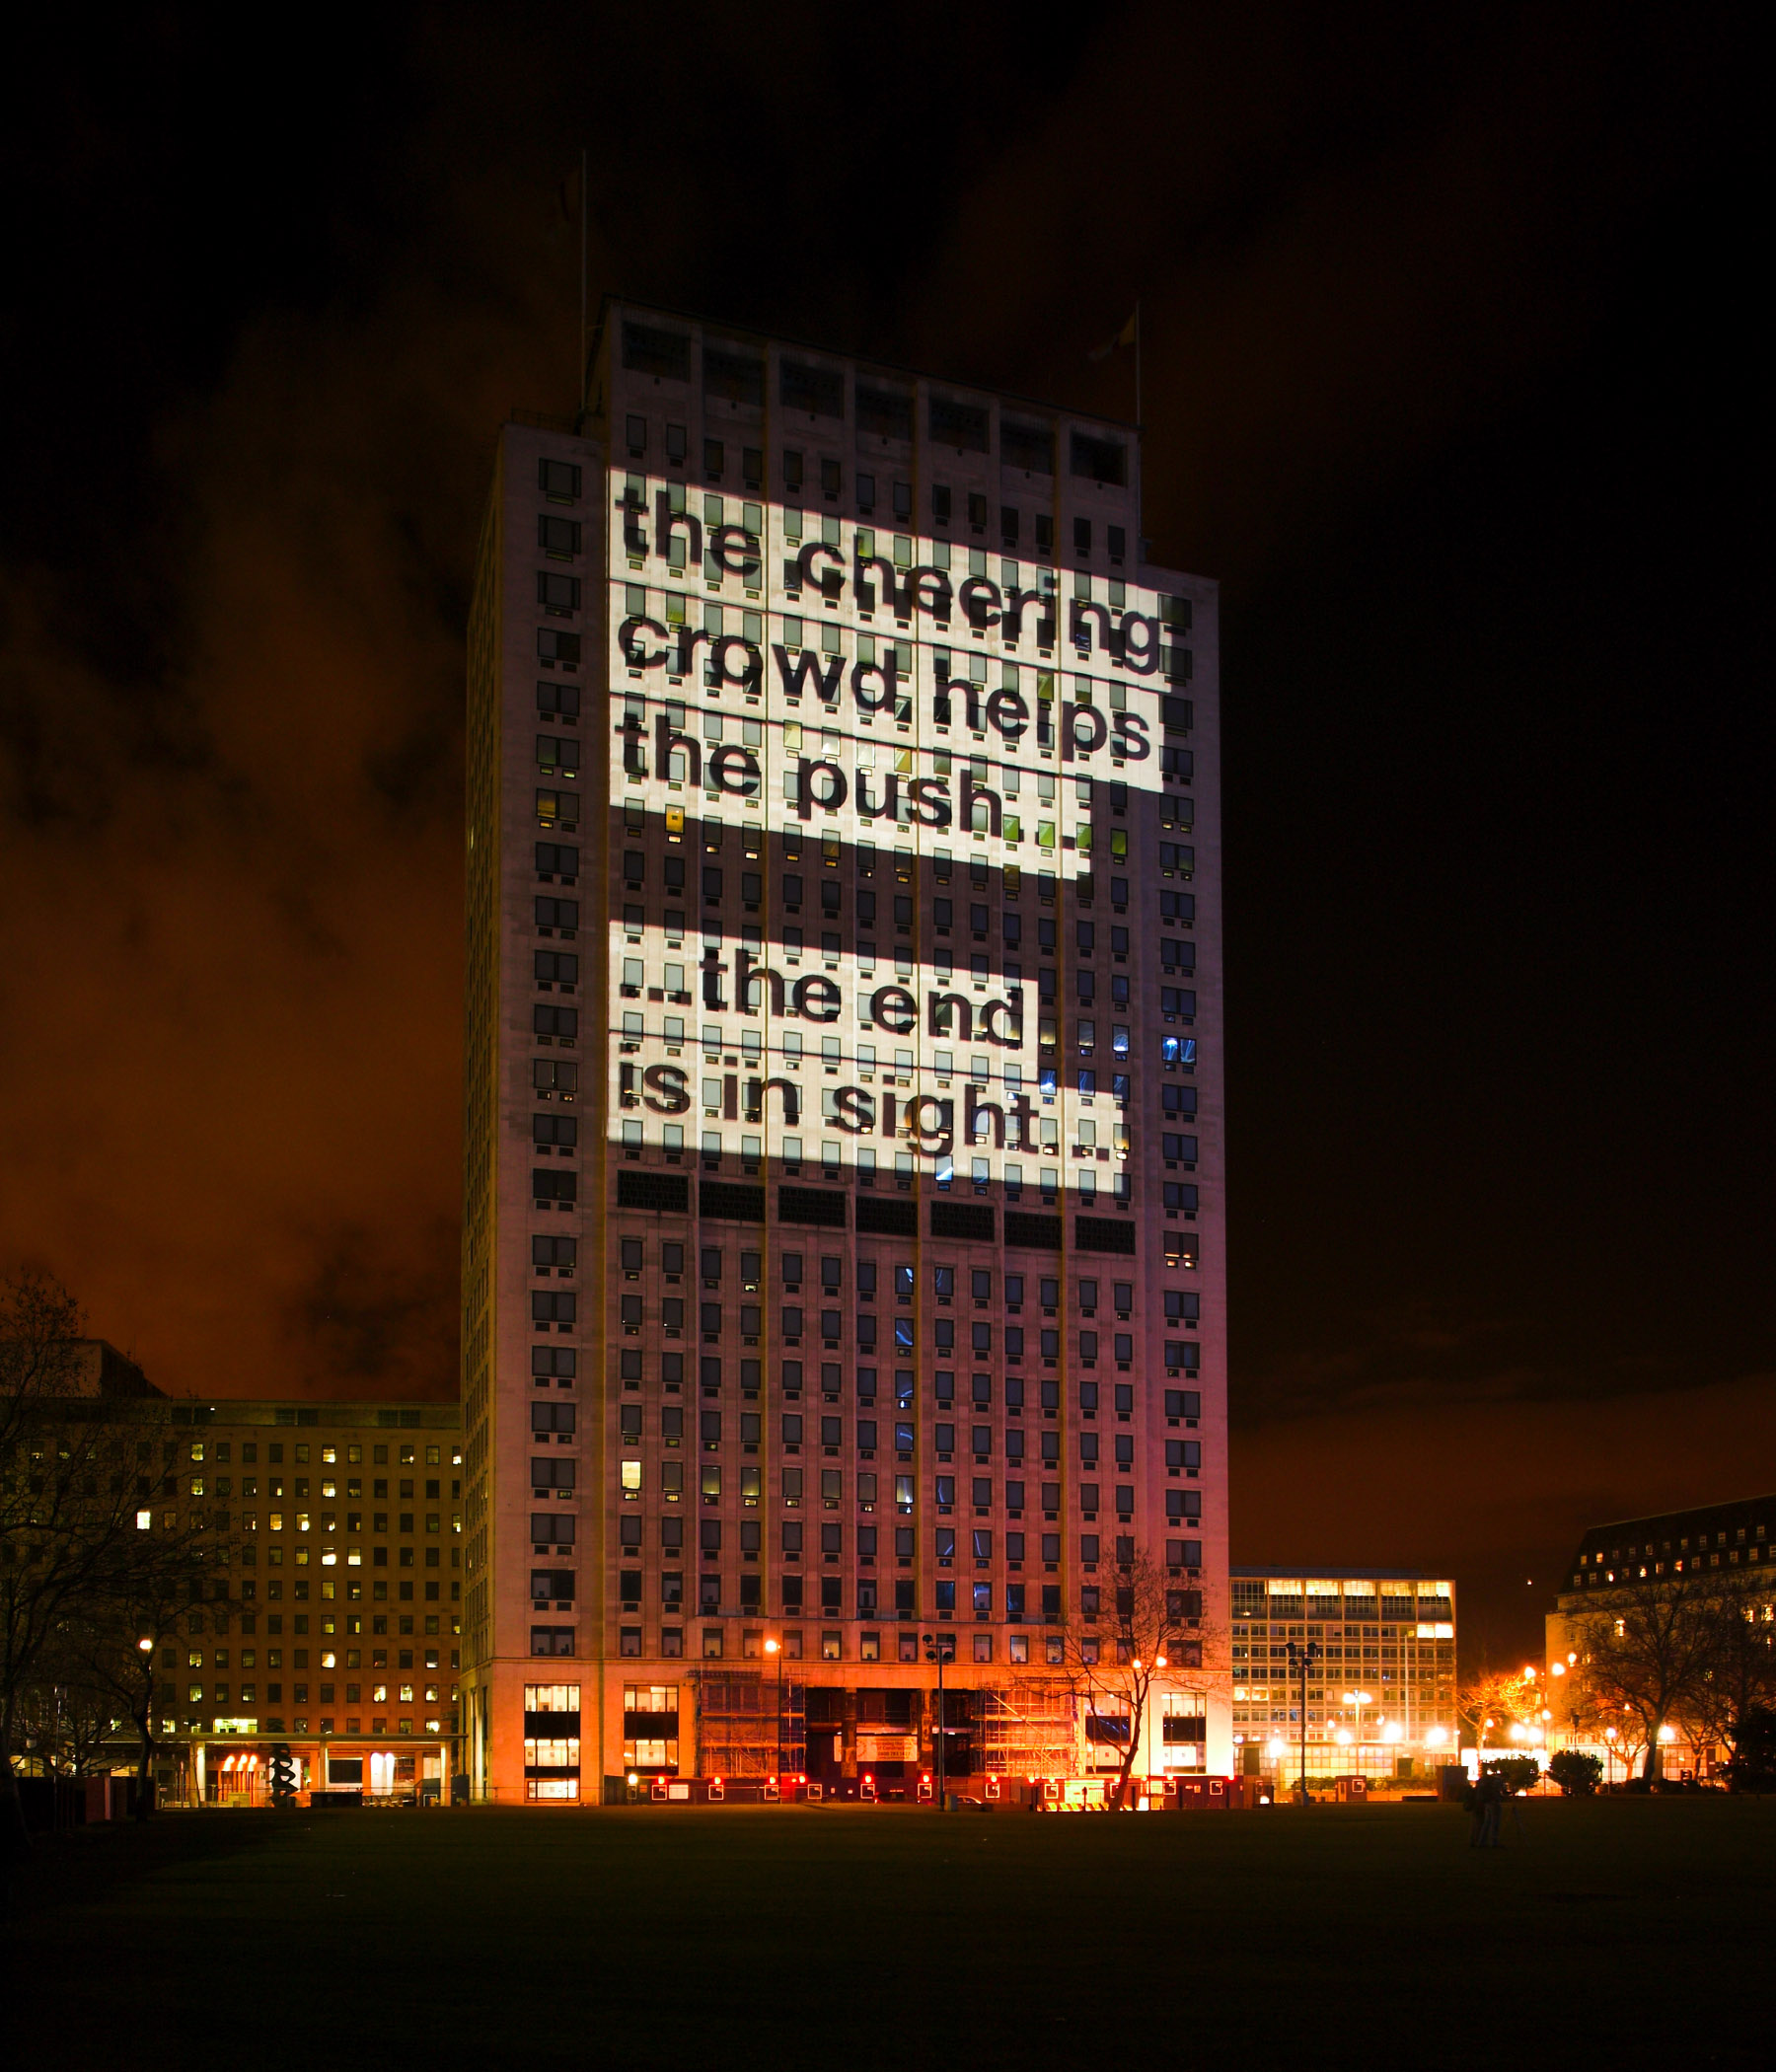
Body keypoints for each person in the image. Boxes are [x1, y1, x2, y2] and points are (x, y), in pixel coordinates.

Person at [1469, 1770, 1504, 1847]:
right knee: (1494, 1823)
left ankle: (1480, 1841)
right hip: (1493, 1803)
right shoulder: (1497, 1781)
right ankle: (1493, 1841)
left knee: (1486, 1823)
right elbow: (1499, 1792)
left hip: (1486, 1803)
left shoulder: (1485, 1781)